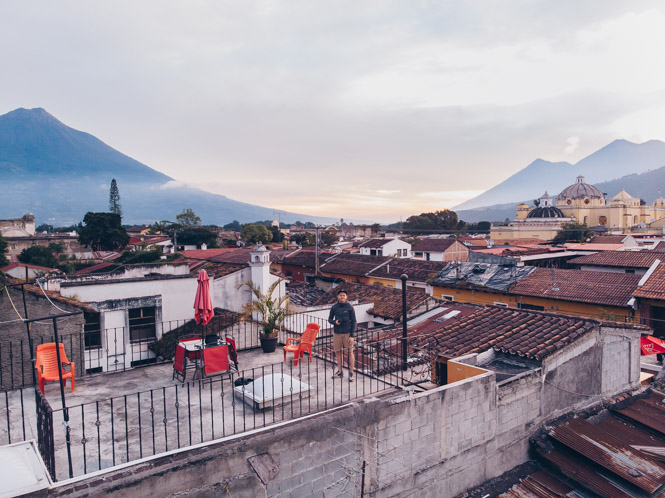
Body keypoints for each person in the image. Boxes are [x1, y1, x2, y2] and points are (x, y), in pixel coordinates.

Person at [328, 289, 356, 381]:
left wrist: (352, 336)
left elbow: (354, 321)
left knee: (350, 352)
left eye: (344, 295)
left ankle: (351, 373)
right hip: (337, 333)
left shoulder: (350, 307)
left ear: (346, 297)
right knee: (338, 352)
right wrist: (335, 322)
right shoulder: (334, 307)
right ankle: (340, 371)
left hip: (348, 333)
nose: (342, 297)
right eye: (340, 295)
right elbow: (329, 319)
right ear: (338, 297)